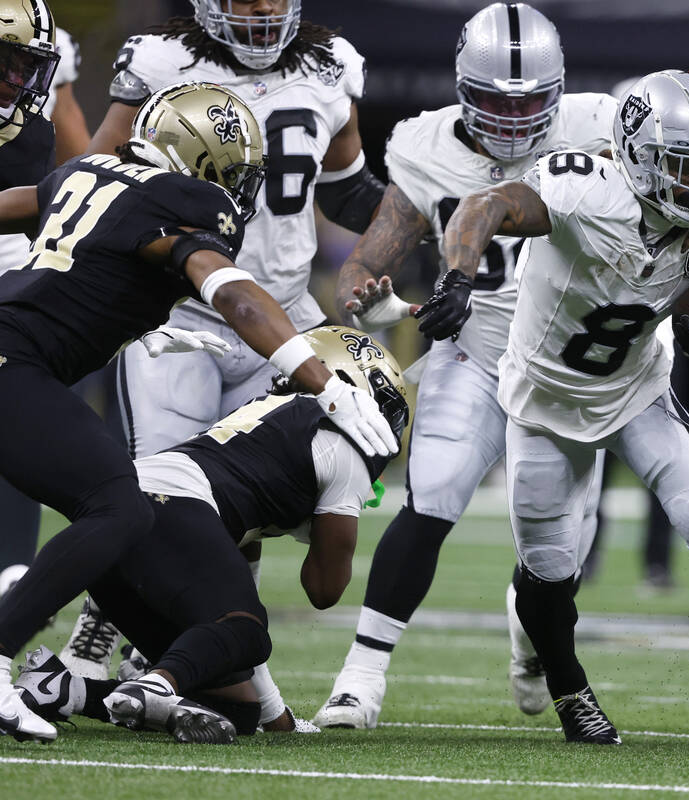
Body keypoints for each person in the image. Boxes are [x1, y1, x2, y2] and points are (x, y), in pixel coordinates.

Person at [427, 69, 689, 744]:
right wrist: (460, 278)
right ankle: (572, 695)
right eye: (686, 168)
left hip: (637, 392)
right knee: (550, 575)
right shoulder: (582, 189)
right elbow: (482, 207)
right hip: (543, 401)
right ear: (639, 154)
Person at [0, 81, 397, 744]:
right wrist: (322, 383)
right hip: (19, 366)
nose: (239, 190)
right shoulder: (179, 201)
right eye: (234, 174)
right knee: (118, 508)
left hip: (17, 358)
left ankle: (52, 631)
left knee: (111, 508)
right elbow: (237, 296)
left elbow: (16, 206)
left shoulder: (85, 171)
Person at [312, 2, 617, 729]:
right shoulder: (425, 145)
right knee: (434, 497)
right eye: (493, 100)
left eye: (529, 101)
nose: (512, 119)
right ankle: (361, 678)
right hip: (474, 352)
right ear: (460, 87)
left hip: (570, 372)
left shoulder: (602, 127)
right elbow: (365, 260)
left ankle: (529, 627)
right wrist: (366, 293)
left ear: (560, 90)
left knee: (559, 551)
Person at [13, 326, 408, 744]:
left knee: (235, 707)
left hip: (122, 512)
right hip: (170, 508)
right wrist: (340, 508)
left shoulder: (268, 411)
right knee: (249, 631)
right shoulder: (340, 444)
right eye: (383, 405)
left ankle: (61, 690)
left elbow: (233, 580)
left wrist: (273, 717)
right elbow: (324, 589)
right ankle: (157, 684)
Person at [0, 1, 88, 607]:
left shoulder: (38, 101)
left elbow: (84, 173)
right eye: (6, 61)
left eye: (27, 65)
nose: (17, 78)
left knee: (22, 431)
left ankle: (10, 584)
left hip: (15, 283)